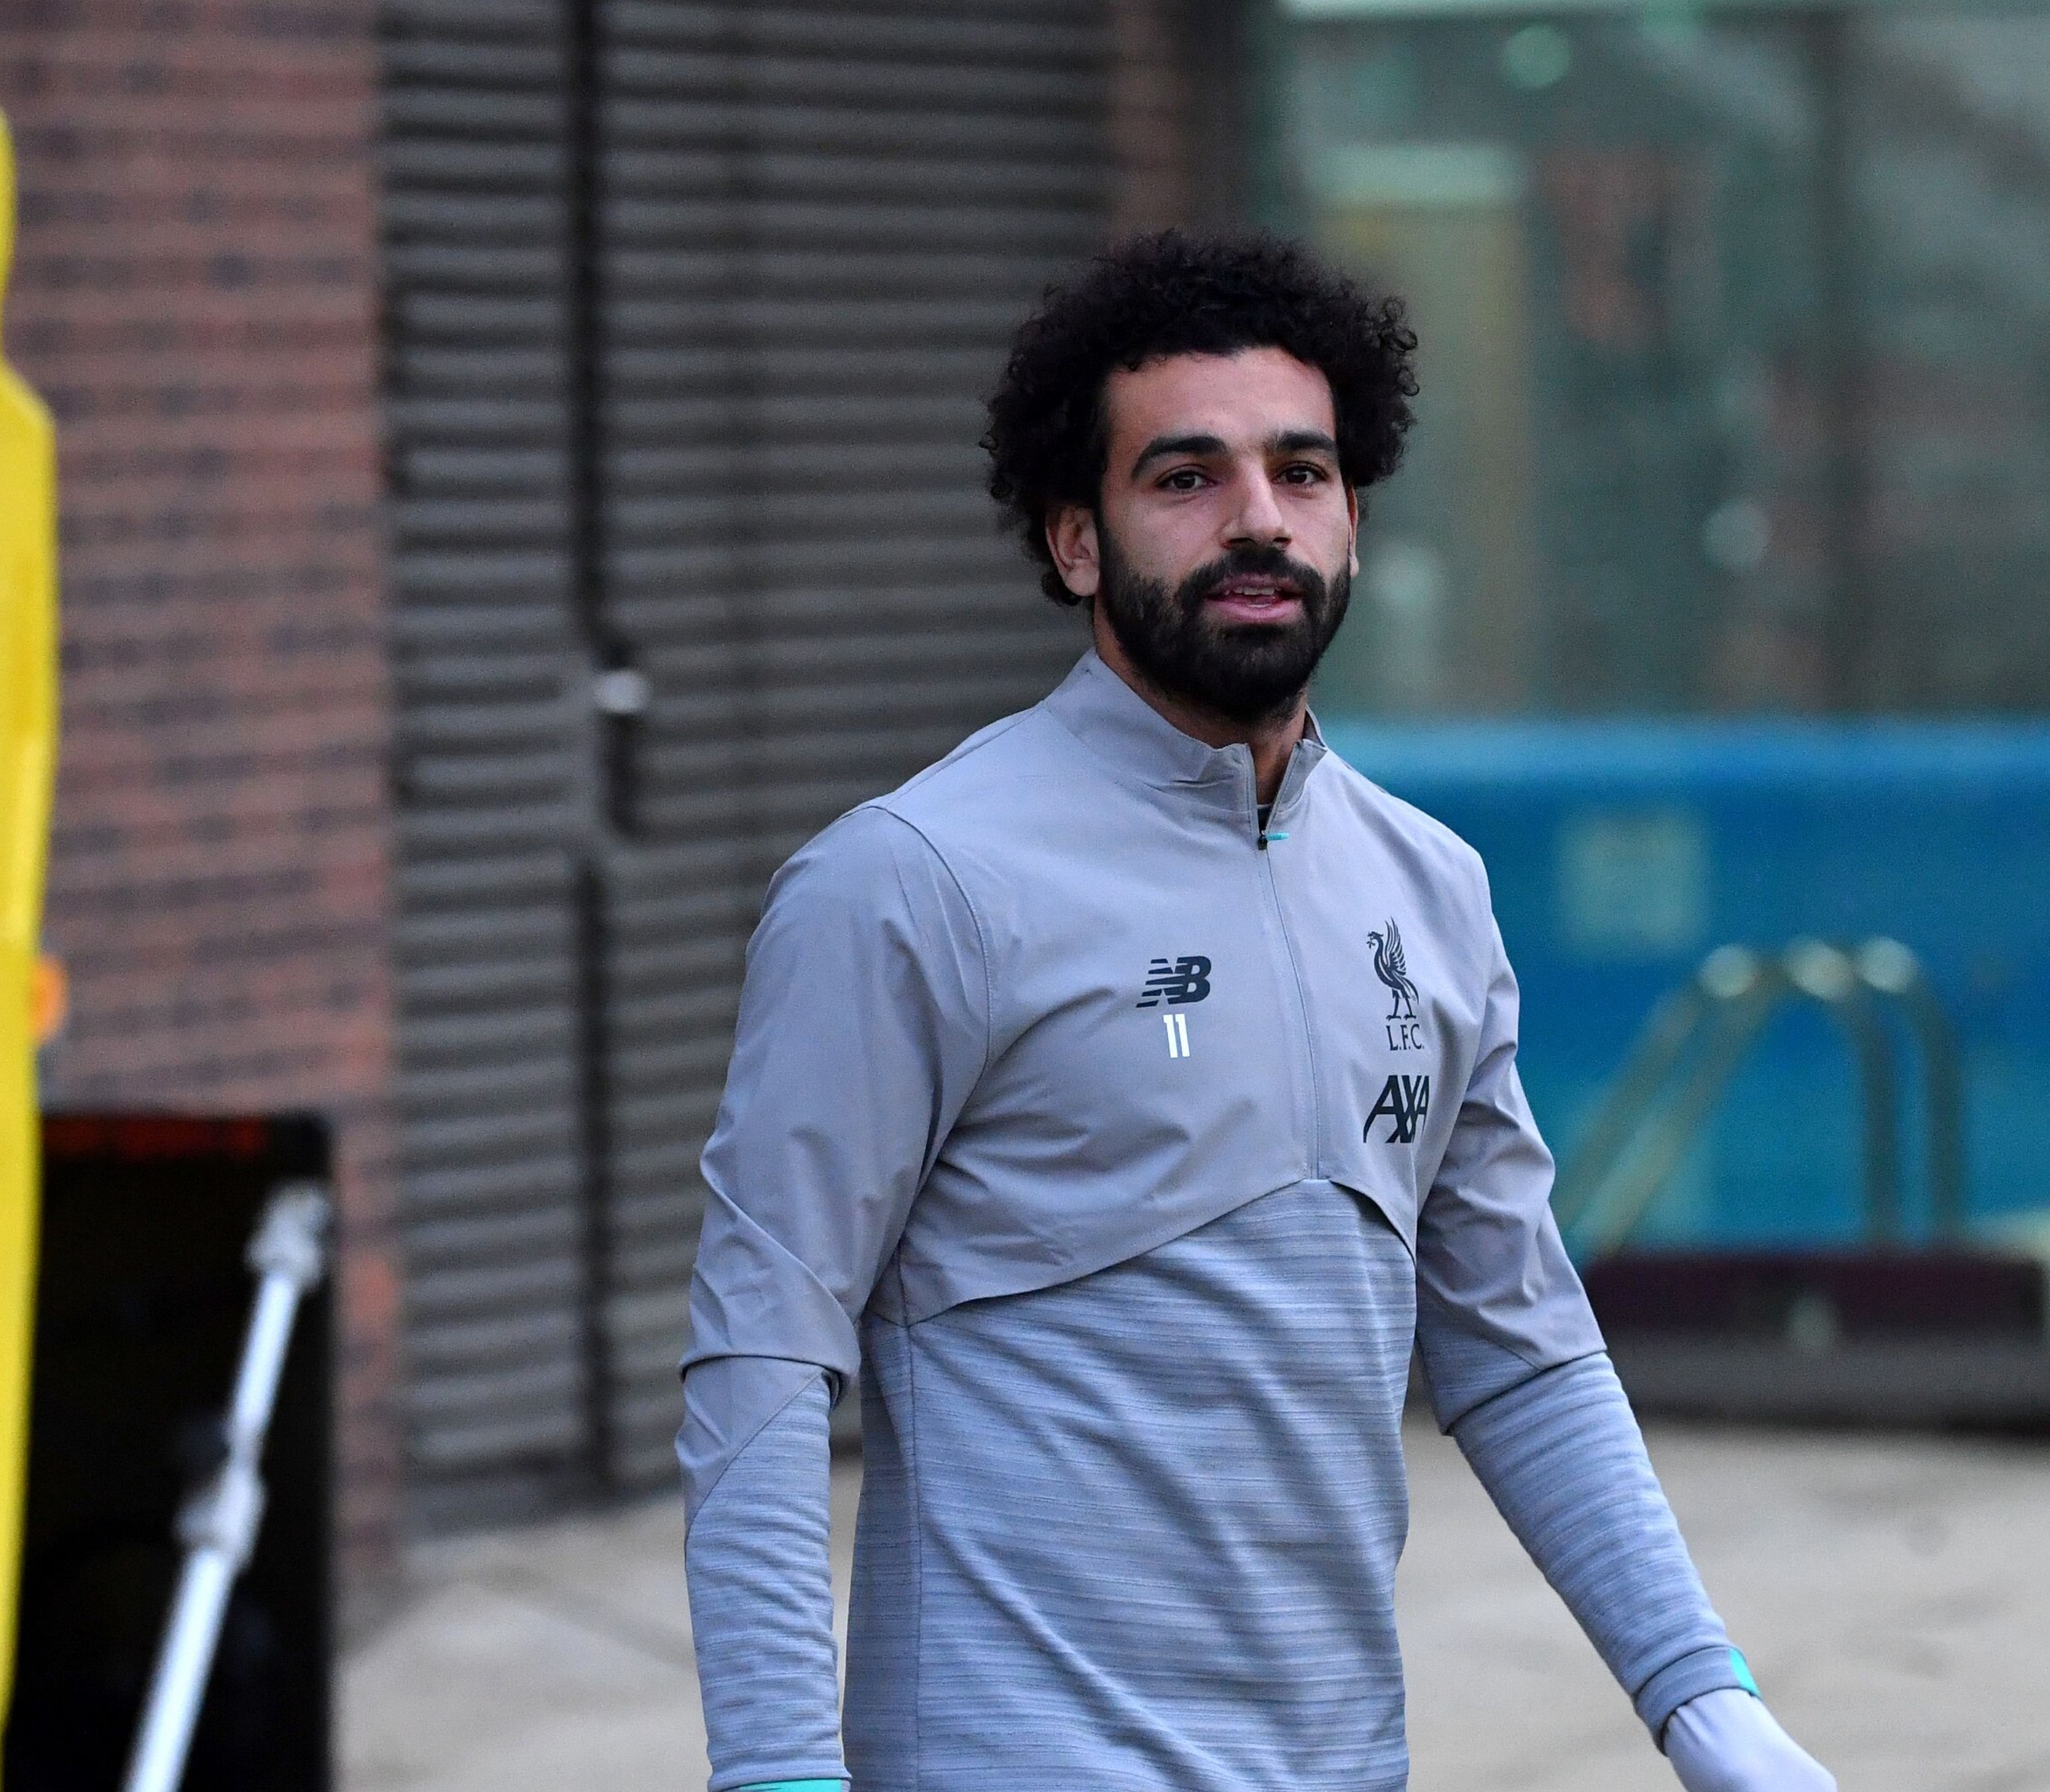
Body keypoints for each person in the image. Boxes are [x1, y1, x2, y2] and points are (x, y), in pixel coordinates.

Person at [677, 231, 1837, 1792]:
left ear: (1354, 518)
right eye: (1185, 477)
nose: (1257, 521)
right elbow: (761, 1347)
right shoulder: (908, 882)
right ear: (1074, 540)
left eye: (1302, 471)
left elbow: (1519, 1346)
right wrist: (772, 1768)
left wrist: (1700, 1696)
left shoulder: (1430, 888)